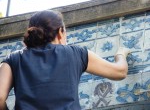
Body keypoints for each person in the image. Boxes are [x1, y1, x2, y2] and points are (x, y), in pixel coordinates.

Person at [0, 10, 130, 110]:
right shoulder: (75, 53)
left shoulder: (13, 59)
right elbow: (120, 72)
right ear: (60, 32)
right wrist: (121, 54)